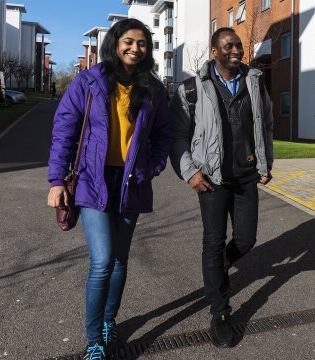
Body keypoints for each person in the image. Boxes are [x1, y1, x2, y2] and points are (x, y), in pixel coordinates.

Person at [46, 18, 171, 360]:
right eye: (129, 41)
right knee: (102, 261)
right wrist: (57, 180)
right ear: (115, 43)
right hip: (92, 180)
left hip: (132, 181)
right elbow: (64, 130)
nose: (135, 48)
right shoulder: (89, 81)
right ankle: (94, 339)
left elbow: (164, 134)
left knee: (119, 260)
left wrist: (154, 165)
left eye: (142, 43)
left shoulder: (154, 89)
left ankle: (108, 322)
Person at [169, 27, 273, 348]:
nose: (236, 50)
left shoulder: (254, 80)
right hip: (210, 179)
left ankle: (220, 268)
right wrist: (189, 172)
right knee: (213, 242)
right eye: (228, 46)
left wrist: (265, 163)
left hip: (245, 177)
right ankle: (220, 311)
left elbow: (265, 122)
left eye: (238, 45)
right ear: (214, 52)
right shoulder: (192, 88)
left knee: (246, 238)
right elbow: (177, 136)